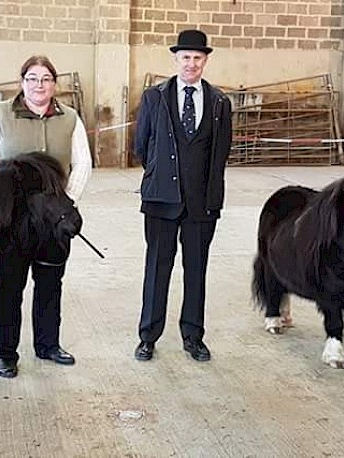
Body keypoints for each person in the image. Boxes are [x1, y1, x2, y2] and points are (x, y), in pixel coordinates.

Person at [0, 55, 92, 378]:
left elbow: (83, 163)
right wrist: (0, 187)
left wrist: (67, 202)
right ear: (22, 82)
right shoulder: (0, 114)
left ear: (54, 84)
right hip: (12, 221)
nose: (40, 85)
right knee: (9, 286)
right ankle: (6, 353)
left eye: (46, 79)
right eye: (33, 78)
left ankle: (48, 345)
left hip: (55, 223)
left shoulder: (70, 119)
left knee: (50, 283)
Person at [133, 29, 232, 362]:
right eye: (186, 57)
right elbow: (142, 146)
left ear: (205, 61)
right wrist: (162, 177)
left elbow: (221, 153)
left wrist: (206, 192)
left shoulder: (220, 102)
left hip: (201, 204)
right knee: (157, 268)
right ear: (176, 60)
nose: (191, 63)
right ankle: (148, 336)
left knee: (196, 270)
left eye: (197, 58)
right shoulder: (154, 97)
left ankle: (193, 336)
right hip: (161, 200)